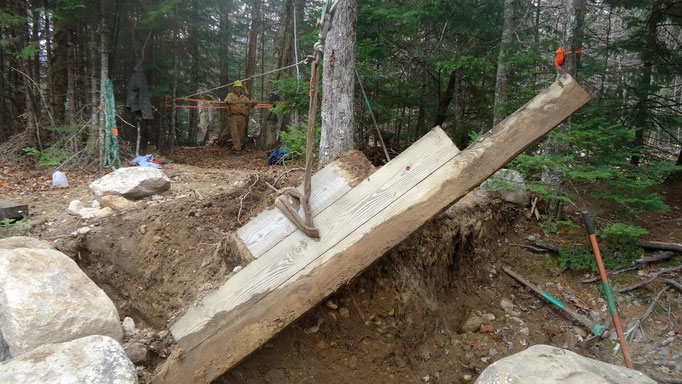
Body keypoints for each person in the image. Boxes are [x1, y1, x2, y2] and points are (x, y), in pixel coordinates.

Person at [224, 81, 256, 151]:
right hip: (233, 116)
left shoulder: (244, 98)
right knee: (234, 133)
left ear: (241, 88)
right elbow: (226, 100)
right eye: (236, 87)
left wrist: (254, 103)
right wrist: (229, 102)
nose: (237, 88)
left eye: (239, 87)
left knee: (241, 134)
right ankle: (237, 149)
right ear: (234, 88)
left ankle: (237, 146)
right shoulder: (231, 95)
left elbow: (250, 105)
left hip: (242, 117)